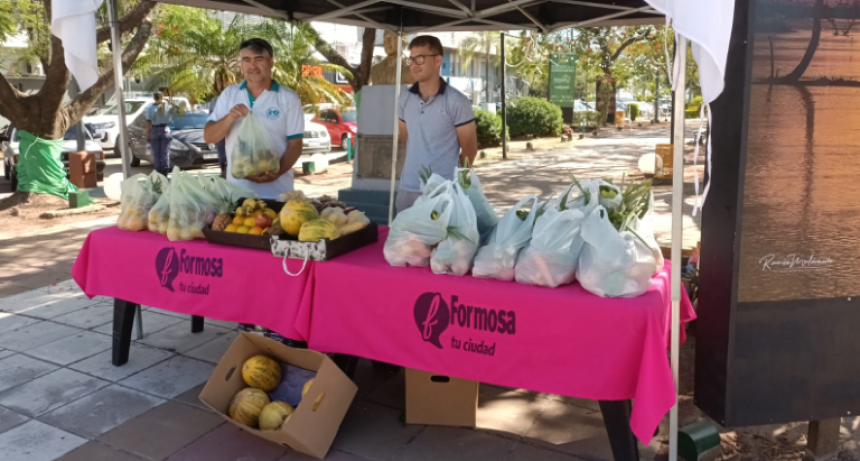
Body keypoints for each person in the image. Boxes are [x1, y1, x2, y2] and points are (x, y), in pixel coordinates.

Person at [204, 38, 304, 199]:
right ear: (241, 65)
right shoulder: (230, 94)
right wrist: (229, 117)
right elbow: (209, 137)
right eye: (247, 60)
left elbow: (295, 146)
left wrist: (275, 174)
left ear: (271, 62)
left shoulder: (288, 98)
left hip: (278, 193)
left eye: (259, 59)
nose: (253, 66)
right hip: (237, 193)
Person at [396, 35, 477, 213]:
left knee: (440, 242)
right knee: (404, 241)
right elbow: (407, 140)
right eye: (412, 59)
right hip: (407, 190)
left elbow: (470, 150)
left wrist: (453, 184)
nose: (414, 65)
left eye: (420, 58)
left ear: (438, 60)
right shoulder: (404, 99)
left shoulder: (457, 101)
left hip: (442, 192)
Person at [145, 91, 175, 176]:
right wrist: (169, 102)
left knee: (156, 154)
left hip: (154, 130)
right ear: (162, 97)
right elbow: (177, 109)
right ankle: (165, 172)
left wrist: (147, 136)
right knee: (165, 152)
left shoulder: (150, 108)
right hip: (165, 130)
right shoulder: (167, 106)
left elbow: (148, 123)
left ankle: (159, 172)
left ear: (154, 98)